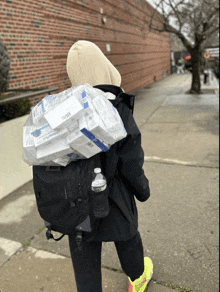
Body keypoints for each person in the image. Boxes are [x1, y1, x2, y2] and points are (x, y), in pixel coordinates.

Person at [66, 40, 153, 292]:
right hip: (115, 196)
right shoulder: (116, 107)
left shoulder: (65, 111)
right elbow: (131, 160)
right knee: (127, 238)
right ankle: (137, 279)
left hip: (77, 200)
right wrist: (142, 190)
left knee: (83, 251)